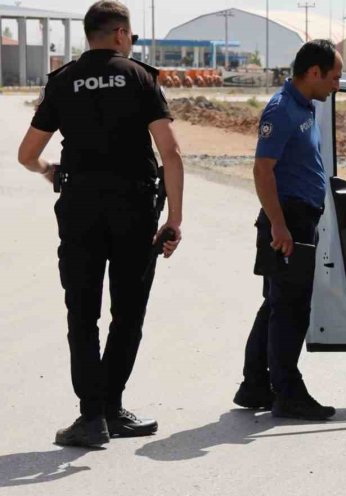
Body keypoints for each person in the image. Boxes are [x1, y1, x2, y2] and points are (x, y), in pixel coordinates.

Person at [17, 1, 184, 447]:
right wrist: (175, 219)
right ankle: (111, 405)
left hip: (81, 209)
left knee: (82, 312)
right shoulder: (140, 77)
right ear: (121, 34)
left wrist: (47, 170)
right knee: (128, 311)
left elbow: (26, 154)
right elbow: (170, 152)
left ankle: (93, 417)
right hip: (134, 209)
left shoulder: (63, 81)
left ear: (88, 35)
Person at [233, 40, 342, 420]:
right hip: (288, 221)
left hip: (298, 217)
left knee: (276, 305)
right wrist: (279, 225)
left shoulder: (304, 105)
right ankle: (288, 392)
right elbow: (262, 170)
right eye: (334, 77)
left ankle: (254, 384)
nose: (337, 85)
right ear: (314, 73)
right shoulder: (281, 111)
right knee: (291, 308)